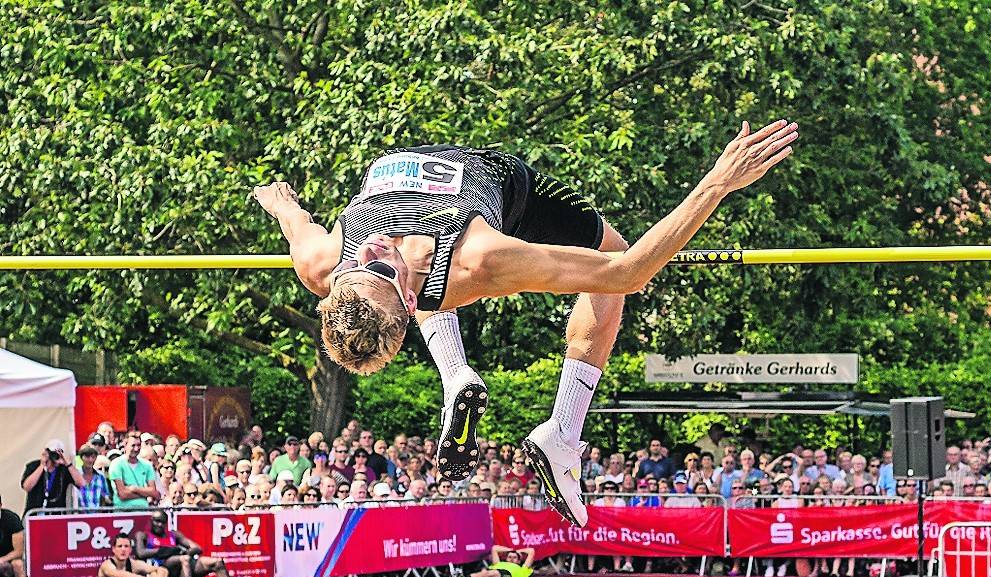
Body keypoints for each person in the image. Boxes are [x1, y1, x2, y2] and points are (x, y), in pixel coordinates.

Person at [254, 119, 800, 527]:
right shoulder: (481, 260)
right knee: (609, 263)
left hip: (432, 206)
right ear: (409, 297)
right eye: (378, 267)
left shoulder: (322, 263)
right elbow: (628, 272)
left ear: (332, 288)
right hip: (503, 190)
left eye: (358, 268)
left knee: (367, 278)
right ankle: (561, 431)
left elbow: (295, 221)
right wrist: (716, 185)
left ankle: (461, 382)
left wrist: (281, 204)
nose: (371, 248)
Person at [21, 439, 85, 512]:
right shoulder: (33, 466)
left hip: (56, 514)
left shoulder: (64, 469)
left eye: (58, 453)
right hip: (35, 513)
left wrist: (68, 464)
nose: (54, 456)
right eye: (52, 453)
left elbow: (82, 483)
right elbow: (27, 487)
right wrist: (42, 465)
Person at [0, 493, 31, 577]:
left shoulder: (11, 519)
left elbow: (19, 551)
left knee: (18, 565)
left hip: (9, 561)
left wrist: (2, 559)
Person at [452, 544, 536, 577]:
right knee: (485, 572)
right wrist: (510, 550)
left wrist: (517, 551)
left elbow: (531, 551)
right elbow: (494, 548)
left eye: (514, 558)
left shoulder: (523, 568)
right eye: (509, 557)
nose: (511, 559)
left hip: (507, 576)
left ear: (518, 561)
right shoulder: (498, 563)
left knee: (490, 573)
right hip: (493, 574)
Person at [109, 439, 160, 509]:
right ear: (125, 445)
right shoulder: (116, 464)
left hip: (144, 509)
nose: (136, 449)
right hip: (123, 510)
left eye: (138, 445)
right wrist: (146, 494)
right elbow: (122, 494)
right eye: (133, 445)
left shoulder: (147, 465)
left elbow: (154, 492)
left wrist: (134, 489)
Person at [74, 443, 112, 509]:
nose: (90, 460)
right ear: (81, 457)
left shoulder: (101, 476)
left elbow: (106, 495)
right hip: (80, 515)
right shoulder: (76, 474)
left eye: (93, 457)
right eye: (87, 457)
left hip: (97, 515)